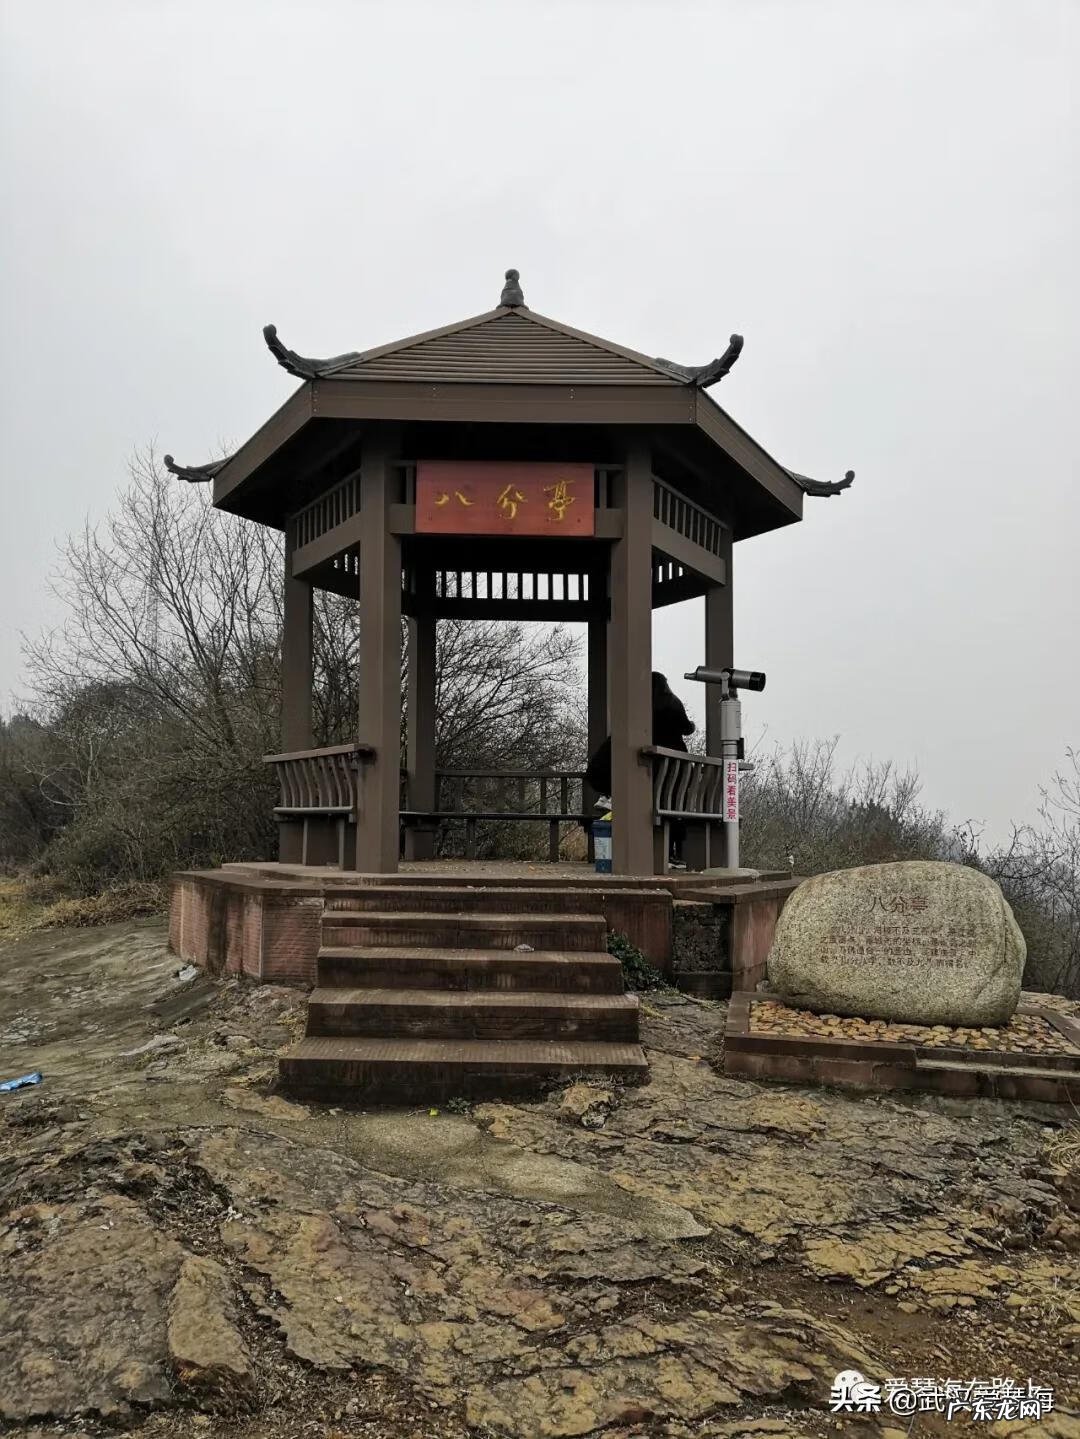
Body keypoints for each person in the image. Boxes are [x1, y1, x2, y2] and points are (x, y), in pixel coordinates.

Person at [584, 672, 696, 863]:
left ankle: (612, 796)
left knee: (649, 798)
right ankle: (670, 854)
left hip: (646, 770)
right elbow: (687, 729)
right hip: (674, 770)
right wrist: (690, 725)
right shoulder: (672, 703)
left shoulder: (639, 706)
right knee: (669, 803)